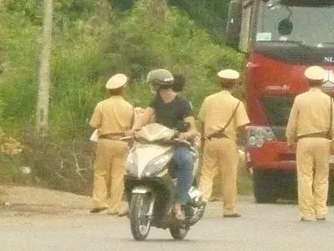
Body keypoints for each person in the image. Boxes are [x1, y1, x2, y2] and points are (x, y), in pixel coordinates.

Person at [138, 68, 198, 219]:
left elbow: (193, 128)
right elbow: (143, 119)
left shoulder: (183, 103)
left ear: (158, 85)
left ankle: (179, 202)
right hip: (158, 144)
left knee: (184, 161)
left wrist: (186, 134)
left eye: (153, 84)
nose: (152, 88)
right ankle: (139, 201)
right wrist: (133, 130)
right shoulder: (156, 101)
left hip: (177, 144)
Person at [285, 66, 334, 222]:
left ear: (307, 81)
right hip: (323, 141)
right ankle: (321, 211)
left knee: (305, 176)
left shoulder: (299, 99)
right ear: (322, 81)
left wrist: (290, 140)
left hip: (304, 140)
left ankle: (307, 213)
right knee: (322, 177)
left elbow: (292, 123)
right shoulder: (328, 100)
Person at [198, 69, 250, 218]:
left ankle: (201, 201)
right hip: (228, 141)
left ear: (219, 83)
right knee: (229, 175)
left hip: (210, 140)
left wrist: (203, 141)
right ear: (234, 84)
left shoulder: (208, 100)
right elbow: (242, 126)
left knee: (207, 174)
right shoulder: (237, 103)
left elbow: (202, 121)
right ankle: (229, 209)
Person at [88, 73, 135, 216]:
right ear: (123, 89)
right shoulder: (129, 107)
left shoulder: (101, 105)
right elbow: (132, 127)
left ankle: (100, 202)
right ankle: (114, 207)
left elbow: (94, 124)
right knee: (118, 175)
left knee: (101, 172)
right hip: (121, 142)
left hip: (105, 141)